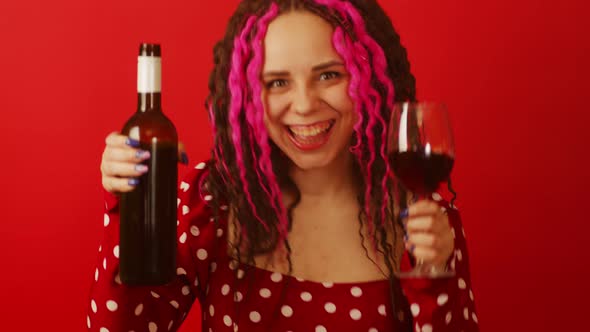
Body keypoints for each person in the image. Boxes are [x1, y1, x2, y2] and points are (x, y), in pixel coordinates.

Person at [89, 0, 479, 331]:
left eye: (328, 75)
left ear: (368, 79)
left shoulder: (424, 219)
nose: (305, 104)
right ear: (247, 97)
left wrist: (435, 275)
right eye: (277, 82)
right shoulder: (209, 205)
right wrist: (128, 210)